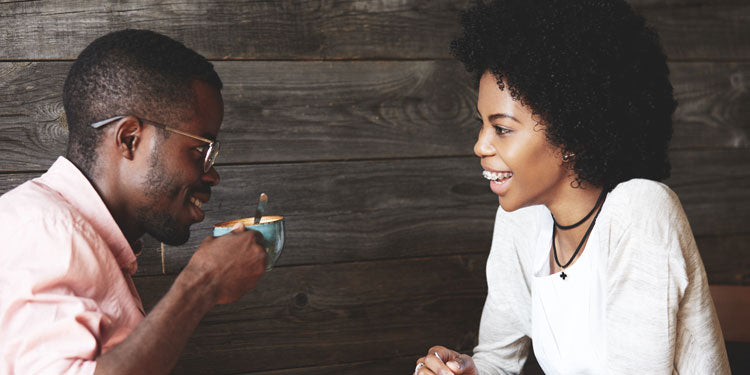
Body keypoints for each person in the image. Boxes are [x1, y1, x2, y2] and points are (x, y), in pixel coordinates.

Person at [414, 0, 730, 374]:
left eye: (502, 128)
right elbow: (498, 359)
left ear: (571, 136)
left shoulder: (641, 212)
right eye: (482, 124)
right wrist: (469, 370)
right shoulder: (522, 221)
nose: (480, 146)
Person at [0, 29, 268, 374]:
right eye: (202, 149)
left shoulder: (73, 237)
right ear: (129, 138)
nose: (211, 174)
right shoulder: (45, 232)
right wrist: (203, 282)